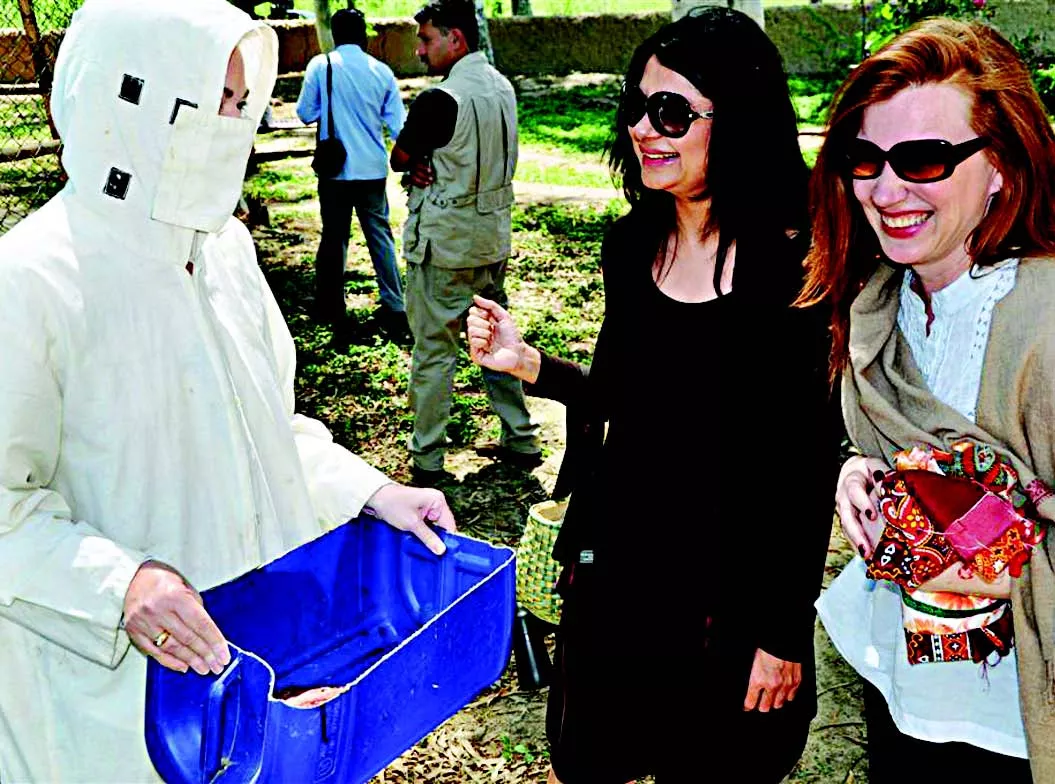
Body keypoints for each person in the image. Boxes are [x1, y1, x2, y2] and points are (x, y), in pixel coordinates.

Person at [0, 1, 455, 780]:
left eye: (243, 102)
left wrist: (371, 492)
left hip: (260, 666)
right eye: (218, 99)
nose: (234, 125)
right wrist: (123, 585)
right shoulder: (31, 279)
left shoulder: (226, 251)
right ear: (133, 94)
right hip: (106, 703)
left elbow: (270, 429)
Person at [466, 9, 836, 783]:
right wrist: (530, 365)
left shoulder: (796, 268)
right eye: (635, 106)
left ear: (737, 119)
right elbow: (625, 397)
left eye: (670, 111)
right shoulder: (632, 244)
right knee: (590, 761)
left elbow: (805, 467)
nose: (641, 128)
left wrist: (779, 632)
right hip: (622, 573)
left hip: (726, 597)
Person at [799, 17, 1055, 783]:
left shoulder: (1042, 323)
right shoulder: (878, 301)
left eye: (923, 159)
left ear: (1000, 164)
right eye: (864, 160)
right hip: (905, 679)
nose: (885, 191)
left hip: (1012, 721)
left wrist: (990, 526)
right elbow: (889, 440)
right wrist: (855, 469)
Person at [390, 0, 540, 483]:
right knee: (496, 337)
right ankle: (521, 436)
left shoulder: (441, 98)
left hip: (445, 242)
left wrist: (418, 164)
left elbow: (400, 156)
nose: (420, 50)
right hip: (492, 237)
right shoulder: (503, 87)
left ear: (455, 39)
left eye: (427, 39)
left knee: (435, 351)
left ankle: (427, 457)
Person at [296, 7, 409, 339]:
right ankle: (395, 305)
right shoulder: (381, 71)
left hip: (335, 171)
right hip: (372, 169)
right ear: (363, 36)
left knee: (334, 238)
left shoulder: (321, 66)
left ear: (334, 34)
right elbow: (398, 126)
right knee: (380, 237)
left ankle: (331, 305)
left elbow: (305, 113)